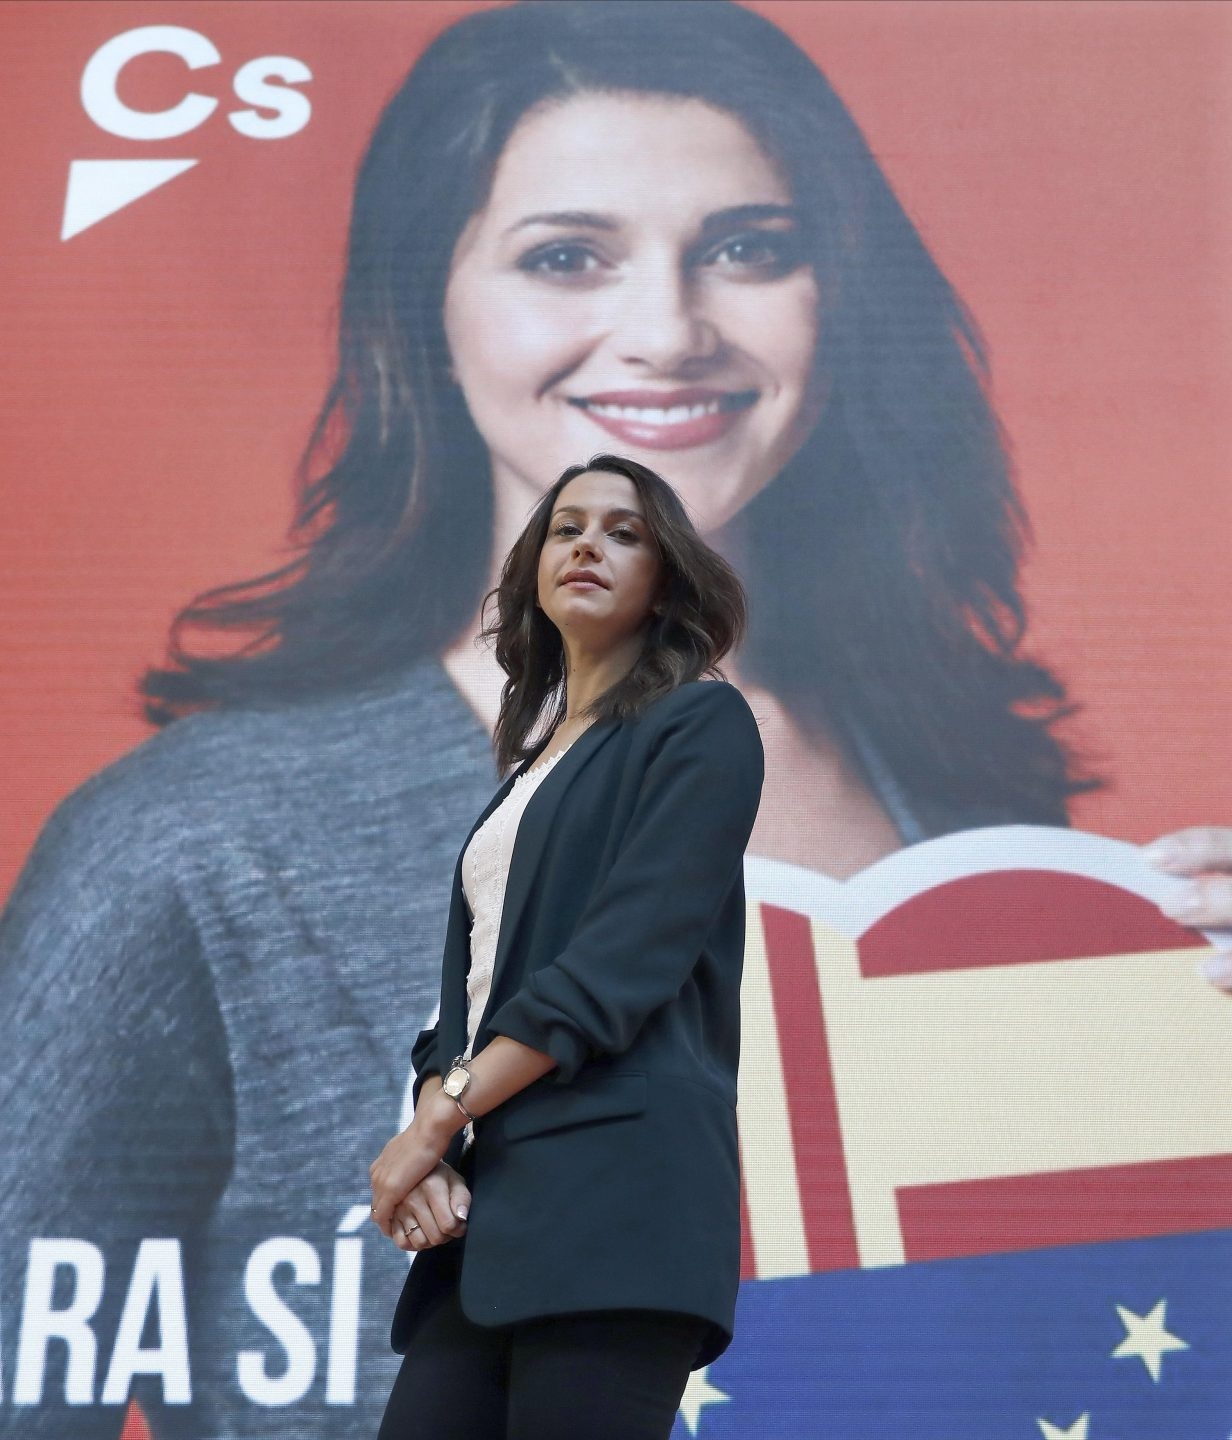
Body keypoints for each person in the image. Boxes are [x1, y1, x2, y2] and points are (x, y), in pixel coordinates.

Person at [1, 2, 1228, 1436]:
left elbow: (1040, 1353)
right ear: (427, 308)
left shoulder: (959, 799)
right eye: (566, 256)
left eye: (749, 248)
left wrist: (1173, 1068)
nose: (668, 330)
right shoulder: (187, 851)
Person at [367, 452, 763, 1440]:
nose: (588, 543)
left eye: (624, 532)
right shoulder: (527, 771)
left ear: (666, 577)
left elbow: (616, 967)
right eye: (567, 526)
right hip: (487, 1215)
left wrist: (430, 1125)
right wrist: (436, 1132)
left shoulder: (699, 723)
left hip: (617, 1211)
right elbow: (463, 1003)